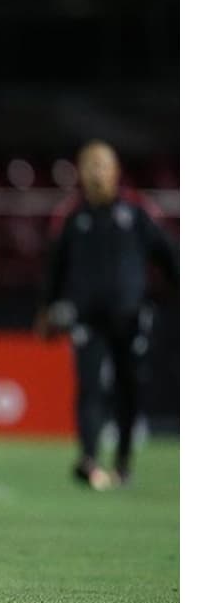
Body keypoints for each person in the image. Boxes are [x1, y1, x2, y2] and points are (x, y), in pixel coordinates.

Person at [36, 139, 177, 490]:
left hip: (130, 316)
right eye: (90, 164)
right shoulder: (72, 217)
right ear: (80, 172)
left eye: (103, 164)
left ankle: (124, 462)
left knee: (130, 387)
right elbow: (54, 267)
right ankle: (88, 458)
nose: (97, 171)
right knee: (90, 385)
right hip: (86, 317)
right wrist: (46, 309)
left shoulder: (136, 213)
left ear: (115, 171)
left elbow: (168, 255)